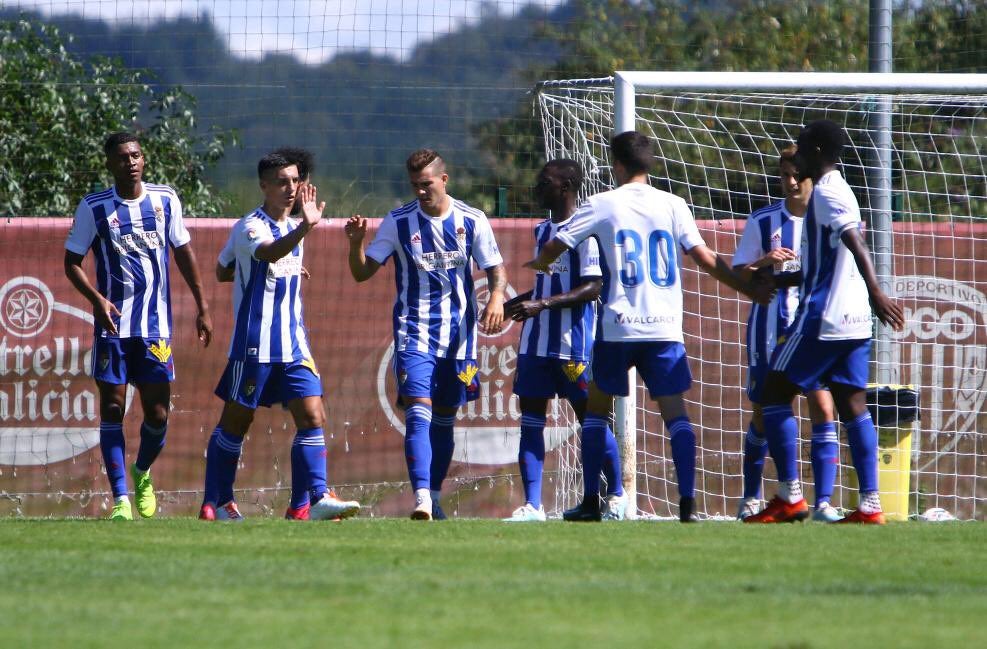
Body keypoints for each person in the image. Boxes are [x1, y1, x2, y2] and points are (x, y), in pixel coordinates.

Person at [526, 131, 765, 523]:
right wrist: (745, 287)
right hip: (664, 327)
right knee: (677, 417)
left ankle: (591, 501)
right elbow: (704, 257)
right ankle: (688, 504)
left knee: (595, 413)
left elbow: (557, 245)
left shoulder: (601, 203)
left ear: (617, 165)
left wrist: (540, 264)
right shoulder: (673, 204)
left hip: (619, 326)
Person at [745, 120, 904, 524]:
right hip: (854, 323)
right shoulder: (841, 190)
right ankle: (870, 505)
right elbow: (825, 263)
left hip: (824, 318)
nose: (794, 157)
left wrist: (877, 291)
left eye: (799, 149)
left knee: (773, 393)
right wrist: (780, 280)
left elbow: (855, 241)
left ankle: (790, 496)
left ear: (815, 150)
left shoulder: (828, 192)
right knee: (854, 405)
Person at [345, 148, 507, 520]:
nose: (420, 191)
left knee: (445, 418)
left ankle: (433, 496)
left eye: (427, 184)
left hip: (460, 337)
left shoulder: (472, 219)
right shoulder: (398, 222)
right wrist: (355, 245)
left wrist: (497, 296)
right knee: (419, 412)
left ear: (443, 180)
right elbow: (361, 273)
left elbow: (496, 269)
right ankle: (420, 497)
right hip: (413, 333)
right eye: (414, 185)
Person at [199, 153, 360, 522]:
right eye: (281, 182)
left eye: (294, 180)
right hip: (255, 344)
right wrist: (302, 231)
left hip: (293, 343)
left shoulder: (290, 225)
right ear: (264, 186)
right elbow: (265, 253)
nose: (290, 188)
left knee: (313, 414)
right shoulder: (251, 226)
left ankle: (313, 500)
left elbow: (226, 268)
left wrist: (285, 262)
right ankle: (217, 502)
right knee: (235, 424)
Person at [64, 131, 213, 520]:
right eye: (122, 157)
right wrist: (96, 299)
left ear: (143, 160)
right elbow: (72, 262)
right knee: (112, 408)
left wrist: (202, 305)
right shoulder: (94, 207)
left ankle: (142, 472)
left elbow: (183, 252)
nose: (131, 161)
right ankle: (120, 501)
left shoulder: (165, 200)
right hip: (112, 327)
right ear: (110, 164)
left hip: (154, 328)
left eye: (136, 155)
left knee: (158, 414)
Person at [502, 159, 624, 522]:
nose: (539, 187)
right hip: (535, 345)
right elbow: (545, 286)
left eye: (546, 181)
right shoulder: (542, 231)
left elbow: (593, 286)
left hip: (574, 346)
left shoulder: (584, 230)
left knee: (592, 419)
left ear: (566, 186)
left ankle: (617, 494)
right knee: (531, 420)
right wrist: (512, 304)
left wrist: (542, 304)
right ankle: (534, 505)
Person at [732, 145, 840, 522]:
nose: (791, 182)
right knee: (764, 413)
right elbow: (738, 273)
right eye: (784, 175)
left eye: (798, 175)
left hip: (814, 328)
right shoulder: (763, 221)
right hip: (769, 329)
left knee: (823, 406)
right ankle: (752, 496)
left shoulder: (828, 219)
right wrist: (763, 262)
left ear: (812, 178)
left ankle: (823, 502)